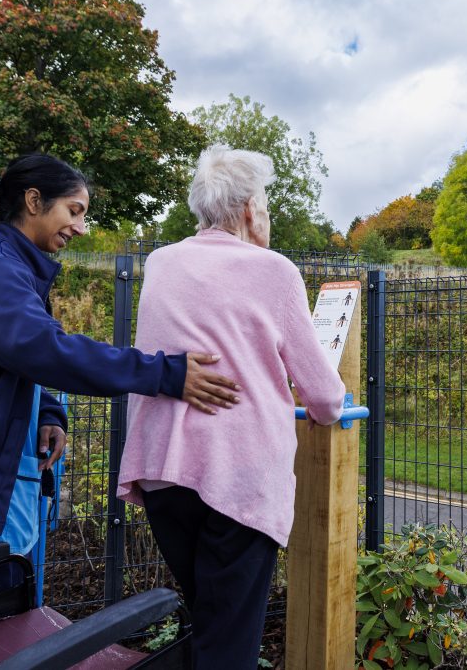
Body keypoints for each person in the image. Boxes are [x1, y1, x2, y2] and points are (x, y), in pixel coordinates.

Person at [0, 153, 241, 620]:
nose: (82, 227)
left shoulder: (17, 268)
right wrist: (164, 373)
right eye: (74, 210)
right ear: (34, 201)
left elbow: (11, 359)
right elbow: (44, 349)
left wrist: (48, 412)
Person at [117, 145, 345, 669]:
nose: (266, 213)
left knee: (212, 620)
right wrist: (330, 409)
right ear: (247, 209)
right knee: (229, 641)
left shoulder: (160, 262)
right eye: (264, 203)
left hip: (164, 473)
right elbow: (324, 394)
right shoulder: (275, 271)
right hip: (236, 476)